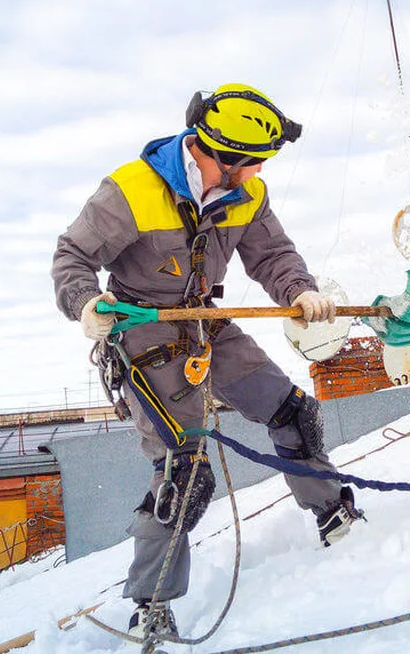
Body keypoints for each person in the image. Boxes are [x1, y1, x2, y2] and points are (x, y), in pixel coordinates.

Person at [51, 83, 364, 640]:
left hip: (203, 321)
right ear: (213, 152)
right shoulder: (131, 190)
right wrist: (85, 305)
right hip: (144, 332)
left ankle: (334, 513)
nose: (255, 176)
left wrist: (300, 289)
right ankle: (151, 603)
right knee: (184, 470)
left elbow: (272, 254)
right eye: (250, 165)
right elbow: (72, 256)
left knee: (293, 413)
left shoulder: (247, 193)